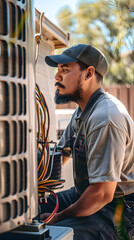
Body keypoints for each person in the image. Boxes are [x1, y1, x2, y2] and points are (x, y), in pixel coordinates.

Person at [40, 44, 134, 240]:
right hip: (86, 192)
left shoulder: (106, 117)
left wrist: (56, 218)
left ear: (89, 73)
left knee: (51, 235)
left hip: (117, 210)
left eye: (65, 70)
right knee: (35, 207)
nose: (57, 77)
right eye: (58, 70)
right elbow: (61, 153)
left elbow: (102, 194)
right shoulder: (82, 111)